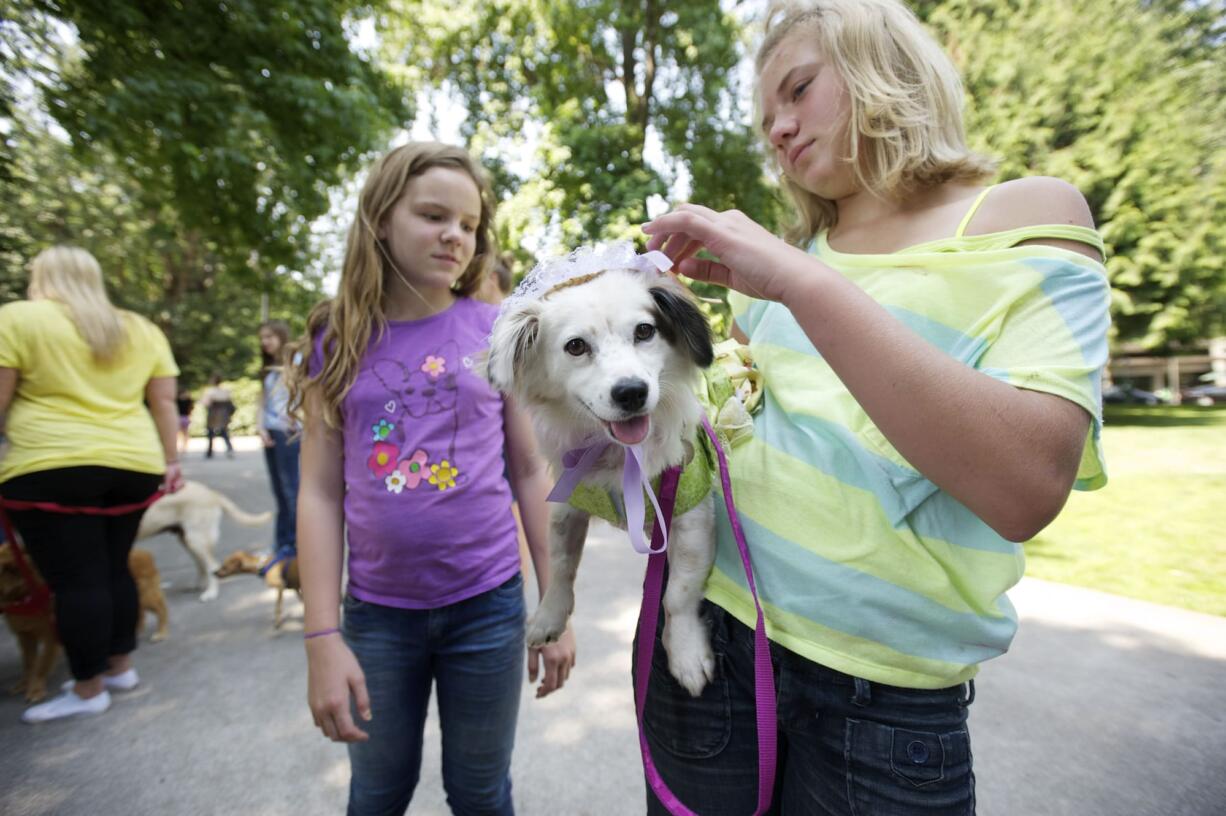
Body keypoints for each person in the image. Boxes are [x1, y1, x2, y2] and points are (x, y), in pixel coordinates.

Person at [639, 1, 1112, 812]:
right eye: (766, 120)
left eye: (799, 89)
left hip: (883, 703)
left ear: (882, 63)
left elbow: (1026, 487)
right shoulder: (777, 276)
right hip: (710, 649)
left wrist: (797, 280)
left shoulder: (1026, 214)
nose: (780, 130)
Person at [288, 141, 577, 816]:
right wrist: (321, 637)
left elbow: (530, 469)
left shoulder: (498, 331)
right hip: (378, 616)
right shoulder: (337, 341)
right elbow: (319, 494)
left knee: (480, 793)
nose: (455, 235)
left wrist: (555, 602)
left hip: (488, 607)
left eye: (470, 225)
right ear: (381, 219)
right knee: (378, 793)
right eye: (433, 215)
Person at [0, 246, 183, 724]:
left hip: (49, 464)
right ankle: (120, 667)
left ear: (41, 277)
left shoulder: (17, 319)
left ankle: (87, 689)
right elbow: (164, 403)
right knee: (112, 568)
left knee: (76, 580)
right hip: (133, 465)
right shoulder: (141, 328)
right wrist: (172, 461)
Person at [256, 320, 300, 559]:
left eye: (269, 337)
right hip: (271, 432)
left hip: (289, 433)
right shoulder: (269, 368)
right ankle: (281, 544)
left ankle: (295, 545)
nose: (265, 342)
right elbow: (262, 401)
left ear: (281, 337)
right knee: (280, 493)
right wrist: (260, 427)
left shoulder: (296, 362)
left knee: (291, 490)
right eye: (262, 338)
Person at [200, 373, 235, 459]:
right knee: (224, 432)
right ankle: (229, 448)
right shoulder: (225, 391)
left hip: (214, 414)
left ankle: (210, 451)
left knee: (211, 433)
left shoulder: (210, 391)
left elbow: (205, 403)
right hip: (224, 414)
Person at [175, 387, 195, 454]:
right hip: (184, 417)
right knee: (183, 433)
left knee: (181, 433)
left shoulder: (177, 400)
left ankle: (182, 447)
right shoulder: (188, 400)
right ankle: (183, 447)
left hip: (181, 417)